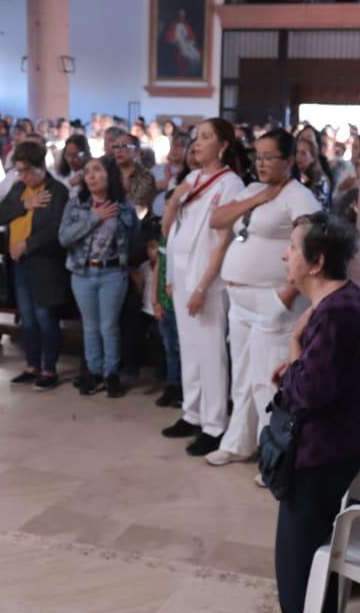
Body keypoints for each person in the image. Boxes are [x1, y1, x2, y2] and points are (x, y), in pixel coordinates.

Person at [259, 212, 360, 613]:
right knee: (304, 547)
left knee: (300, 552)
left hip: (320, 450)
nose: (285, 254)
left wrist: (293, 352)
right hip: (332, 443)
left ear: (316, 261)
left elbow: (309, 392)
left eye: (292, 246)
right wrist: (297, 366)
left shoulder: (336, 312)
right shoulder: (344, 302)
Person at [204, 128, 317, 465]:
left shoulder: (300, 196)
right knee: (242, 375)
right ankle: (239, 442)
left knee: (269, 381)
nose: (262, 163)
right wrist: (256, 199)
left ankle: (275, 456)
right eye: (258, 156)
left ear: (289, 160)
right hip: (240, 299)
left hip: (274, 299)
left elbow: (313, 247)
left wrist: (286, 295)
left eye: (270, 157)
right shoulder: (254, 189)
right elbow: (217, 219)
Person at [160, 118, 249, 455]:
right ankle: (192, 413)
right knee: (190, 348)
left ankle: (215, 424)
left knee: (210, 352)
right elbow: (169, 232)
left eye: (206, 137)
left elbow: (224, 242)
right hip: (181, 274)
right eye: (196, 138)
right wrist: (173, 200)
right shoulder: (191, 180)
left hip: (207, 280)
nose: (196, 143)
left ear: (223, 145)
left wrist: (202, 286)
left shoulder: (231, 185)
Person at [0, 139, 71, 389]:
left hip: (45, 263)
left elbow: (56, 229)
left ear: (41, 166)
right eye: (19, 170)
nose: (22, 176)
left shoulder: (57, 191)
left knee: (45, 316)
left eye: (26, 170)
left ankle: (49, 369)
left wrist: (27, 244)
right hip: (20, 265)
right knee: (27, 317)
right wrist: (24, 205)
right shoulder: (18, 190)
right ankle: (32, 365)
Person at [60, 156, 138, 396]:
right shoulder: (76, 205)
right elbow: (64, 237)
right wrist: (95, 218)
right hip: (83, 272)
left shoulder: (124, 207)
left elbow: (134, 238)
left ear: (109, 175)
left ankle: (111, 373)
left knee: (109, 325)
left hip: (112, 272)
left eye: (96, 170)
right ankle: (93, 372)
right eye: (87, 172)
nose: (90, 176)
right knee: (91, 326)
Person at [293, 137, 333, 210]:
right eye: (296, 153)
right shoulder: (298, 176)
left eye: (303, 153)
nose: (298, 157)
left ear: (313, 157)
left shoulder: (320, 181)